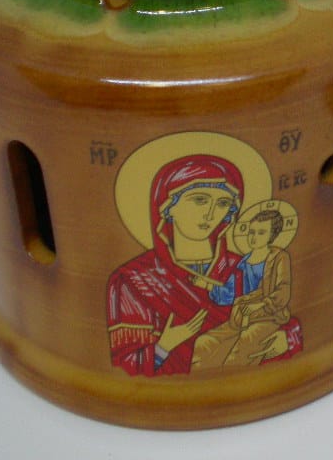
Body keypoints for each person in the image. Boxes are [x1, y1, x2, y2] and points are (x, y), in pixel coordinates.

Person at [106, 154, 245, 376]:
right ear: (168, 207)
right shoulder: (135, 279)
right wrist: (164, 346)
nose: (210, 214)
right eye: (199, 200)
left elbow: (279, 321)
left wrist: (285, 339)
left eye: (222, 203)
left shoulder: (241, 268)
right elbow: (125, 365)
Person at [192, 207, 301, 369]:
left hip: (267, 317)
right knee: (204, 343)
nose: (254, 237)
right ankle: (201, 382)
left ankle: (231, 382)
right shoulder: (243, 262)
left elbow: (283, 290)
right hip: (240, 317)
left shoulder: (279, 257)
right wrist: (208, 285)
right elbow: (231, 292)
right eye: (251, 232)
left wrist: (260, 304)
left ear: (272, 235)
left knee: (243, 345)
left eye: (261, 233)